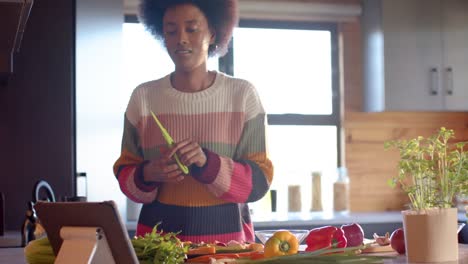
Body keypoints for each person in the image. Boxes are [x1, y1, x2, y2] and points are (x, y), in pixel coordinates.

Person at [113, 0, 273, 244]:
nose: (181, 39)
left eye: (192, 28)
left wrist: (207, 163)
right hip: (157, 250)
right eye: (171, 30)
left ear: (212, 32)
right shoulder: (143, 98)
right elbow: (125, 175)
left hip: (226, 250)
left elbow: (259, 183)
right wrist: (148, 174)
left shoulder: (242, 96)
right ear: (161, 34)